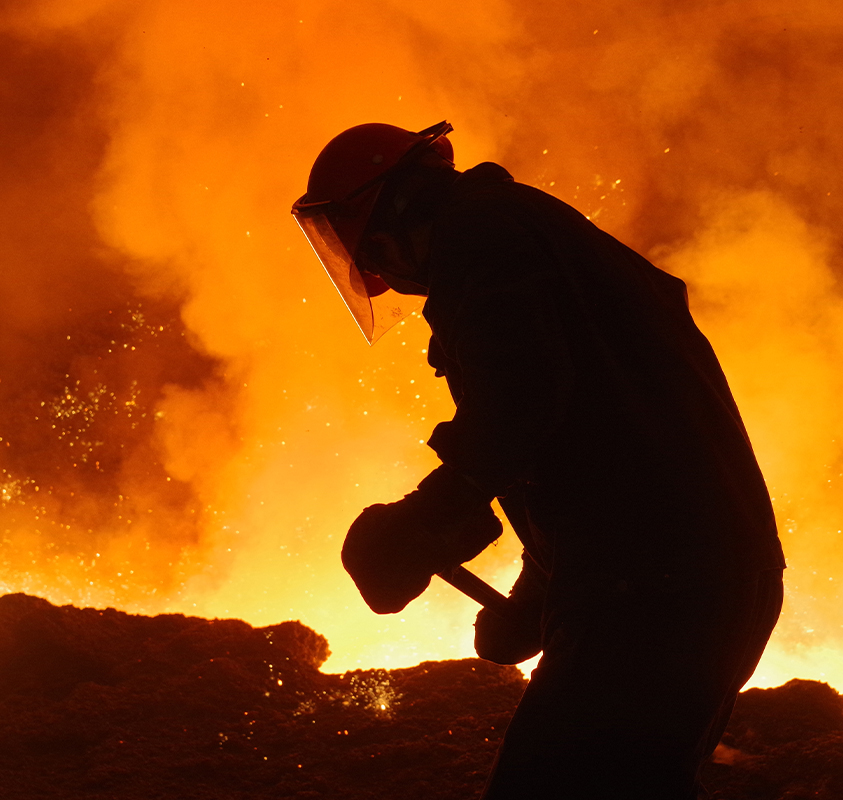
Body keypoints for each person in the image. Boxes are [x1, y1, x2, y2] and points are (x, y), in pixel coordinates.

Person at [292, 121, 787, 799]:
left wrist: (424, 520)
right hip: (697, 582)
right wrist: (545, 584)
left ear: (392, 211)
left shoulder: (481, 240)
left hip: (654, 596)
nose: (375, 267)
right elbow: (583, 437)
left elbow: (522, 400)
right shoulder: (518, 231)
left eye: (363, 240)